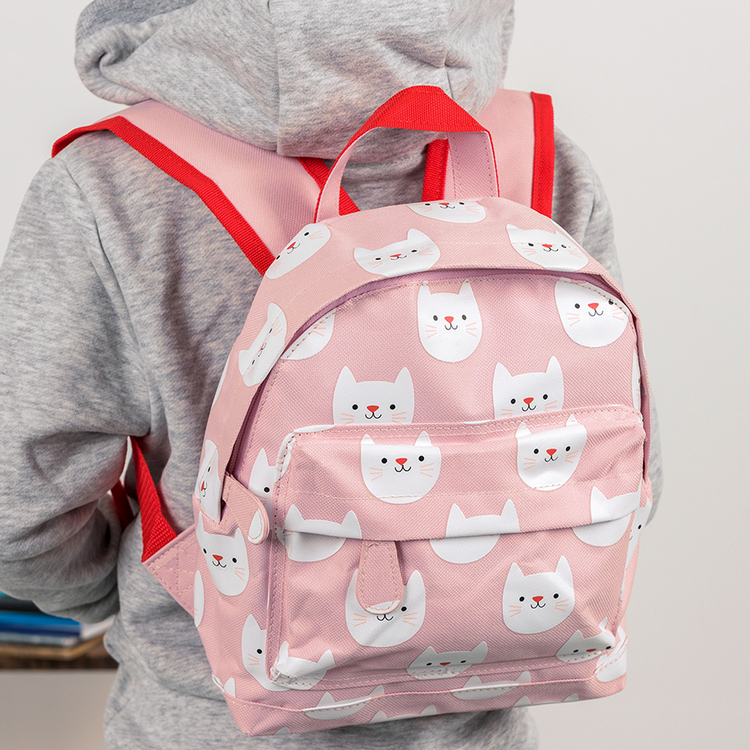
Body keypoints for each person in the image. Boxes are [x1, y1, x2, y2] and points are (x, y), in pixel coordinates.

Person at [0, 1, 662, 748]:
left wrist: (138, 590)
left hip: (204, 720)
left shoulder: (108, 187)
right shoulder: (540, 162)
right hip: (481, 723)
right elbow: (628, 479)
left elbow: (20, 512)